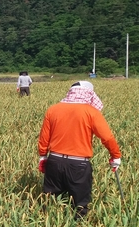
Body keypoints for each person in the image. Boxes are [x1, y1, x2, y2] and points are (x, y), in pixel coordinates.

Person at [37, 81, 121, 218]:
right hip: (79, 164)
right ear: (89, 94)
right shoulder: (91, 112)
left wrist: (42, 156)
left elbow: (44, 137)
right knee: (80, 203)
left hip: (54, 161)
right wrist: (115, 156)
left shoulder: (53, 109)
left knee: (50, 201)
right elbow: (107, 137)